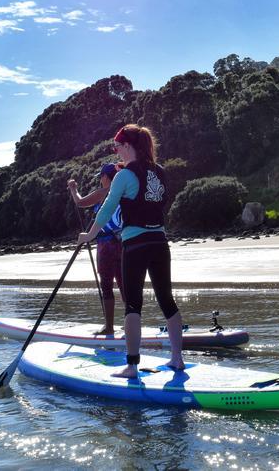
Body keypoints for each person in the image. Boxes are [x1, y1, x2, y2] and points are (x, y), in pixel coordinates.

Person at [80, 123, 184, 378]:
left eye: (117, 147)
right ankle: (177, 359)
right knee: (166, 300)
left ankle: (132, 366)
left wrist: (90, 235)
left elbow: (106, 209)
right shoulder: (159, 172)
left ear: (128, 146)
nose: (116, 152)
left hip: (136, 244)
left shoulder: (124, 175)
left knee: (133, 305)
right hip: (160, 242)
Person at [67, 163, 123, 335]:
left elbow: (80, 202)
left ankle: (109, 327)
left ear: (106, 177)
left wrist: (73, 188)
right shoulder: (124, 193)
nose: (100, 180)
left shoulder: (103, 193)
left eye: (101, 177)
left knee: (106, 286)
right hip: (124, 243)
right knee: (125, 285)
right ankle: (132, 324)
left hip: (106, 245)